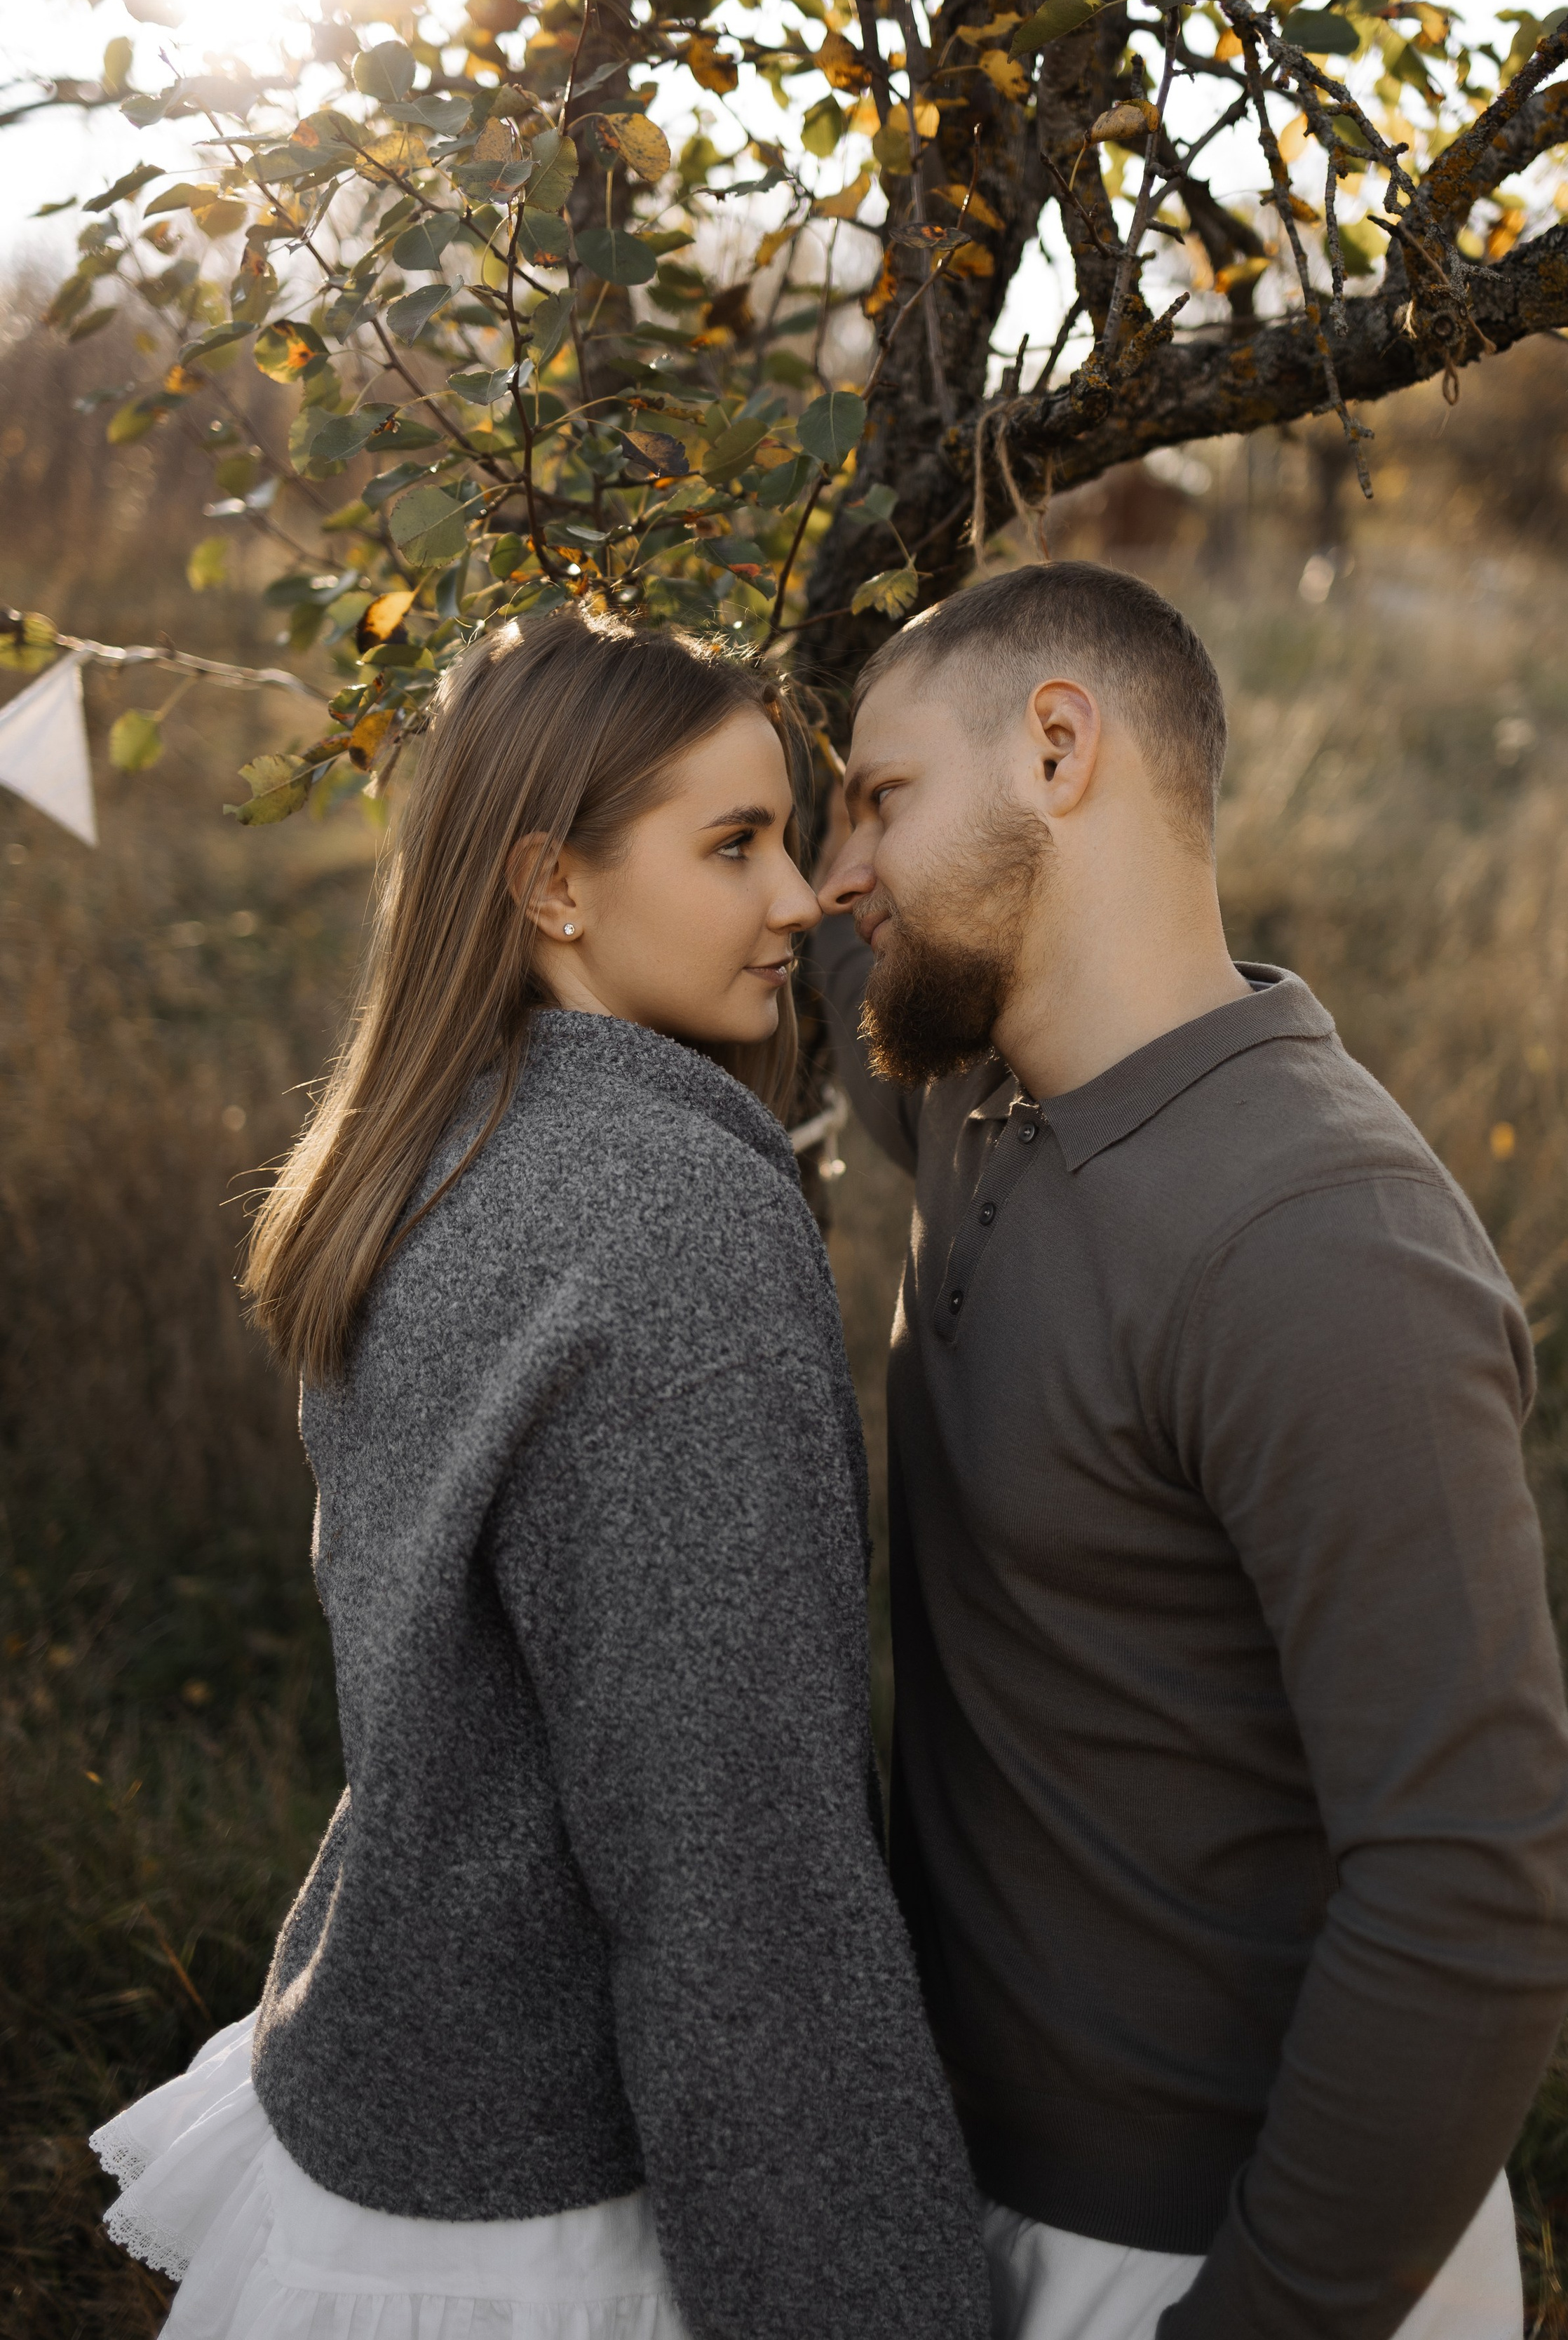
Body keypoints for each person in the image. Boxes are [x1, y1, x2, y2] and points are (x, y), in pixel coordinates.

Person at [90, 607, 992, 2340]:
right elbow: (737, 1874)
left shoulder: (424, 1148)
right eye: (732, 846)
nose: (802, 903)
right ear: (550, 885)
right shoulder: (670, 1222)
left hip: (377, 2091)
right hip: (543, 2214)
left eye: (790, 841)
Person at [811, 558, 1568, 2340]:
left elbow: (1480, 1891)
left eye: (878, 799)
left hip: (1228, 2256)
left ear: (1058, 748)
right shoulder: (971, 1082)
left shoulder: (1323, 1248)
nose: (833, 870)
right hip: (967, 2197)